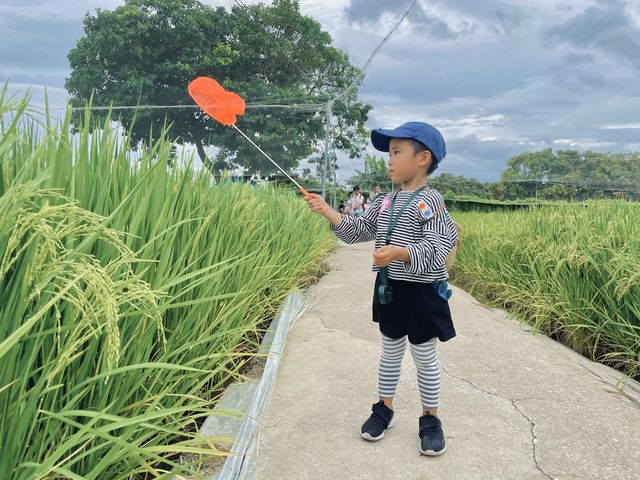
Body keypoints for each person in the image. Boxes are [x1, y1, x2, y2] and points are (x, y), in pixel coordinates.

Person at [303, 121, 458, 456]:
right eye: (389, 153)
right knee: (390, 351)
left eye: (396, 152)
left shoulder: (429, 201)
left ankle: (430, 419)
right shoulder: (384, 201)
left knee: (424, 356)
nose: (389, 160)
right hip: (389, 290)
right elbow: (359, 229)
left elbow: (439, 246)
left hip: (421, 293)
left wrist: (400, 253)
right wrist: (327, 210)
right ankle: (384, 409)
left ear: (423, 158)